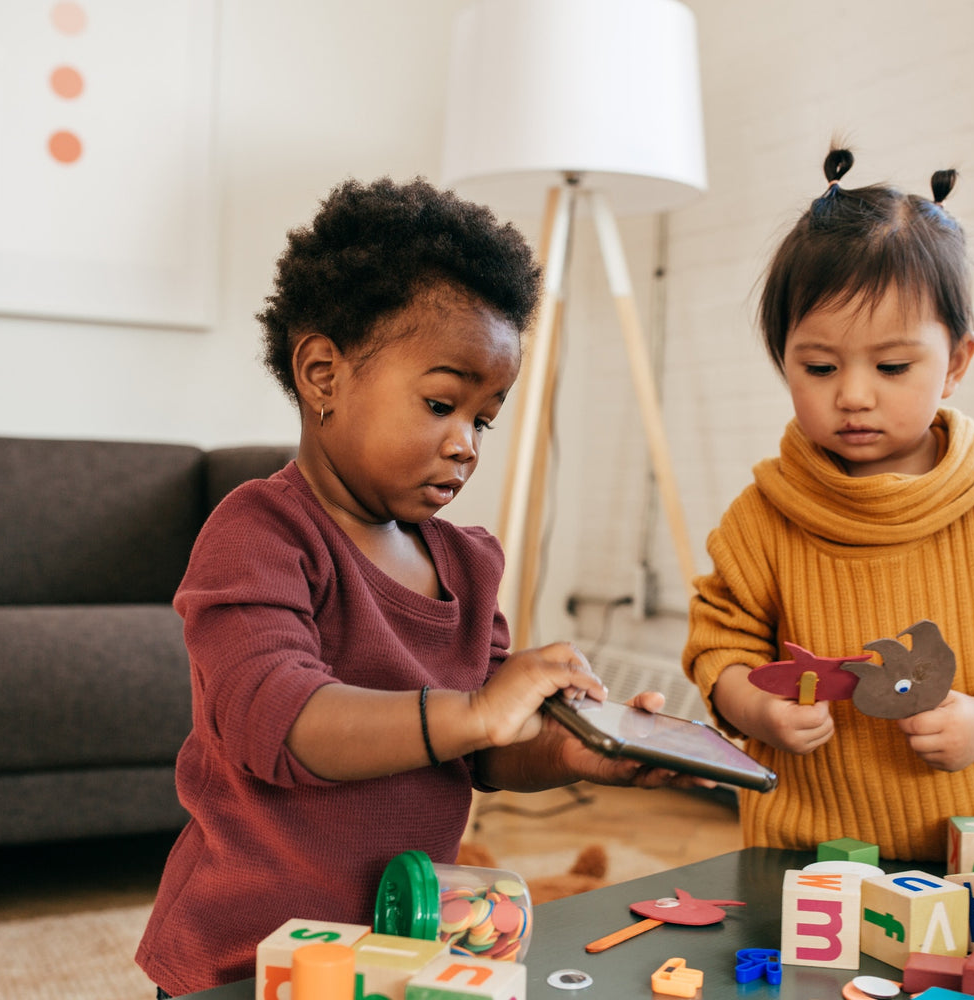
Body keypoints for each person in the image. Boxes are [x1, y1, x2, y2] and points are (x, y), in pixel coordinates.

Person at [137, 177, 687, 996]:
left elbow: (487, 755)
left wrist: (579, 753)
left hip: (410, 942)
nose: (466, 445)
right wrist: (475, 709)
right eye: (440, 403)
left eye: (484, 419)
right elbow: (276, 723)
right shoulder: (260, 535)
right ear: (323, 374)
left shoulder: (468, 563)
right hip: (247, 959)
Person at [682, 148, 974, 863]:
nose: (853, 394)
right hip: (803, 852)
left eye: (892, 366)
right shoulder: (761, 516)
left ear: (957, 364)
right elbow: (719, 647)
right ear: (783, 360)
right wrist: (759, 709)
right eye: (819, 367)